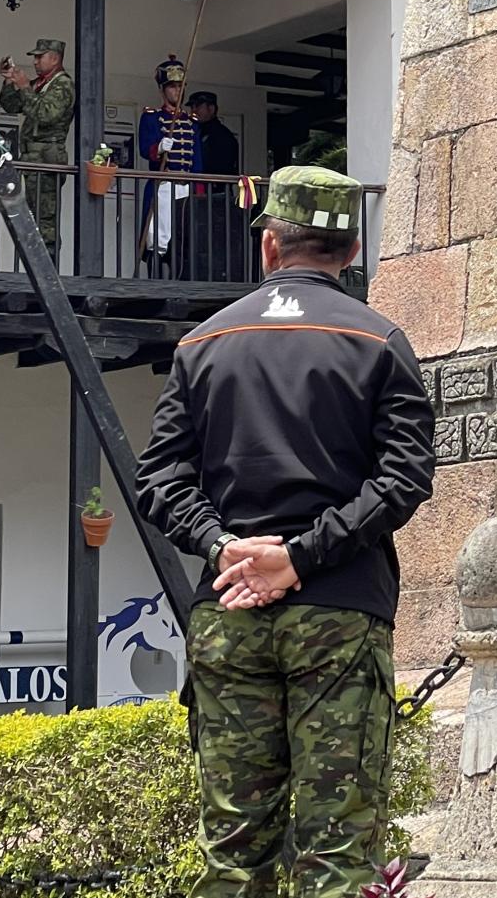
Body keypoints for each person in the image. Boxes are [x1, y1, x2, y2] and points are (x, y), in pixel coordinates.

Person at [135, 164, 436, 898]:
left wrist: (221, 545)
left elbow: (158, 479)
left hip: (228, 608)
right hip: (339, 611)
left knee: (234, 850)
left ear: (269, 245)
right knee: (338, 851)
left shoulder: (204, 343)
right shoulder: (379, 340)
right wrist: (301, 557)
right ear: (352, 246)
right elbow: (402, 480)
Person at [0, 39, 75, 256]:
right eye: (34, 57)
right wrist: (9, 81)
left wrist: (24, 86)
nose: (35, 61)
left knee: (45, 220)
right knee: (30, 219)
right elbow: (11, 105)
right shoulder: (41, 83)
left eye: (40, 56)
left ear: (55, 58)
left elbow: (46, 115)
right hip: (32, 159)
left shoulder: (63, 85)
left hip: (47, 159)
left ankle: (49, 273)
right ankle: (36, 270)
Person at [138, 57, 201, 276]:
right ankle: (155, 282)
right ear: (163, 90)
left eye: (180, 87)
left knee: (182, 238)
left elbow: (197, 161)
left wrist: (198, 190)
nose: (177, 91)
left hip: (185, 186)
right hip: (164, 184)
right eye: (172, 87)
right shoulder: (152, 118)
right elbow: (145, 149)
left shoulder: (191, 122)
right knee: (158, 238)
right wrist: (159, 148)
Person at [187, 93, 240, 282]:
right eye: (192, 106)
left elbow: (223, 168)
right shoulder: (193, 132)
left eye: (198, 106)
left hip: (216, 196)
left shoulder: (222, 136)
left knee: (212, 242)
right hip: (197, 196)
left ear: (211, 109)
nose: (193, 111)